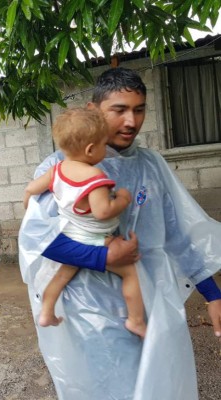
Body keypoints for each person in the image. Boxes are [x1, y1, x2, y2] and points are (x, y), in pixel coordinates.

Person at [18, 67, 221, 400]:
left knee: (159, 387)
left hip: (151, 302)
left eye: (139, 109)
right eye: (120, 110)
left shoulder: (151, 165)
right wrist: (104, 256)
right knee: (112, 389)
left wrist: (212, 292)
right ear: (96, 110)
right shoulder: (60, 166)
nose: (131, 121)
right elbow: (39, 240)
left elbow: (177, 234)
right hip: (90, 307)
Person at [23, 108, 146, 338]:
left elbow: (30, 189)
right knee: (130, 272)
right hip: (95, 238)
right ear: (91, 150)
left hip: (70, 233)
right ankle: (136, 321)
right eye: (103, 144)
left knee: (62, 275)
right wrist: (122, 199)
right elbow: (102, 212)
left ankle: (47, 312)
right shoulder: (96, 178)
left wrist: (28, 209)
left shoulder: (56, 170)